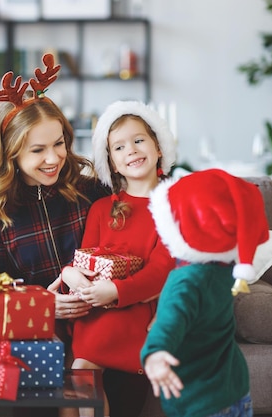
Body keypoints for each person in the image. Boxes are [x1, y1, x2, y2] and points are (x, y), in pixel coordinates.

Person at [0, 53, 110, 417]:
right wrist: (42, 304)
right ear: (11, 153)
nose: (53, 158)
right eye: (38, 150)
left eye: (59, 144)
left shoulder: (92, 192)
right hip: (35, 327)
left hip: (100, 321)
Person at [60, 100, 177, 417]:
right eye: (119, 147)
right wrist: (71, 275)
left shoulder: (172, 209)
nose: (132, 151)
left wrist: (117, 291)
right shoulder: (101, 209)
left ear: (158, 147)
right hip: (95, 308)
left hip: (135, 310)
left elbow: (161, 271)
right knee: (75, 385)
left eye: (139, 140)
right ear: (111, 162)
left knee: (81, 369)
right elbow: (86, 259)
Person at [141, 168, 266, 417]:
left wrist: (154, 353)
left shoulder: (185, 281)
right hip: (235, 389)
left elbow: (169, 323)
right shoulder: (223, 269)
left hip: (199, 400)